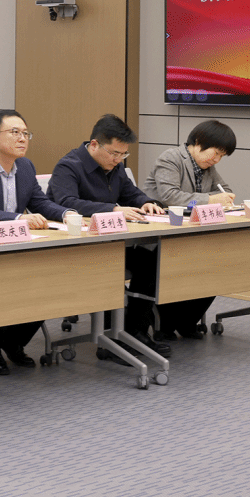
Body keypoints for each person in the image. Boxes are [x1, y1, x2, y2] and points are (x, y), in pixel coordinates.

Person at [0, 110, 69, 374]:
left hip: (17, 246)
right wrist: (19, 218)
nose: (22, 138)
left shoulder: (25, 167)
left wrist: (67, 214)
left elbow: (40, 203)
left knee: (51, 281)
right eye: (15, 132)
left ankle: (12, 342)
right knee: (1, 284)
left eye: (26, 133)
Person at [49, 114, 169, 361]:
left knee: (152, 261)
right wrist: (113, 209)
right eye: (114, 153)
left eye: (123, 154)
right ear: (94, 144)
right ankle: (110, 341)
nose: (118, 159)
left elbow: (131, 193)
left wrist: (146, 203)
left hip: (111, 244)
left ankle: (135, 331)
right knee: (108, 268)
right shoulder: (68, 166)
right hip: (76, 248)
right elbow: (66, 202)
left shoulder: (116, 167)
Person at [142, 119, 238, 338]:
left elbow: (225, 190)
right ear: (199, 141)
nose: (216, 159)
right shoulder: (170, 158)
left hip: (189, 233)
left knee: (216, 264)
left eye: (222, 156)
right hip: (159, 235)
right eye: (216, 153)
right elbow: (170, 197)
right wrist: (211, 199)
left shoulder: (208, 167)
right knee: (182, 265)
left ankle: (185, 321)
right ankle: (166, 323)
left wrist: (220, 198)